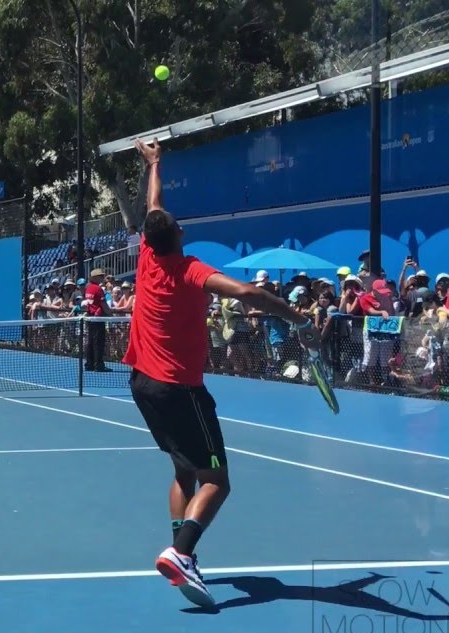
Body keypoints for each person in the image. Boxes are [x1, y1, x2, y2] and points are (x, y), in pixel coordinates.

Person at [125, 138, 318, 608]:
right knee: (217, 480)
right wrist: (296, 318)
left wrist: (155, 163)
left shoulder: (147, 257)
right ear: (179, 237)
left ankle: (183, 552)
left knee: (183, 471)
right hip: (179, 389)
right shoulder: (189, 270)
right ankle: (182, 553)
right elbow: (248, 294)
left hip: (141, 383)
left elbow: (154, 203)